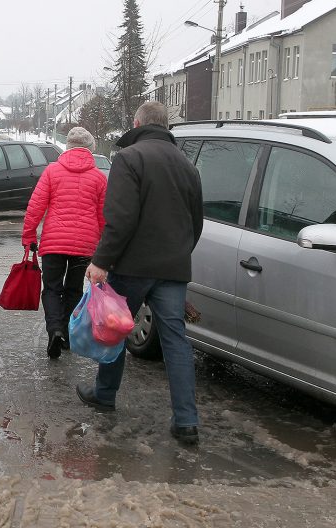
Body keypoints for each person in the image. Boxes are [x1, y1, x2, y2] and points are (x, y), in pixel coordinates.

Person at [80, 101, 203, 445]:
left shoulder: (128, 159)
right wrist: (177, 255)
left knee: (116, 329)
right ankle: (186, 421)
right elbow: (196, 223)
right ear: (166, 126)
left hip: (132, 266)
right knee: (175, 341)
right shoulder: (188, 166)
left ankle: (104, 394)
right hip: (173, 267)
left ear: (137, 123)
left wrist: (101, 261)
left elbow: (120, 218)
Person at [21, 127, 107, 359]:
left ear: (67, 147)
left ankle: (54, 330)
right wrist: (103, 248)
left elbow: (35, 206)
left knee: (51, 288)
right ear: (90, 150)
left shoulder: (52, 172)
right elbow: (103, 217)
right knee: (74, 289)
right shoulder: (99, 177)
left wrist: (29, 236)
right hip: (85, 245)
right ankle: (67, 334)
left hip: (54, 244)